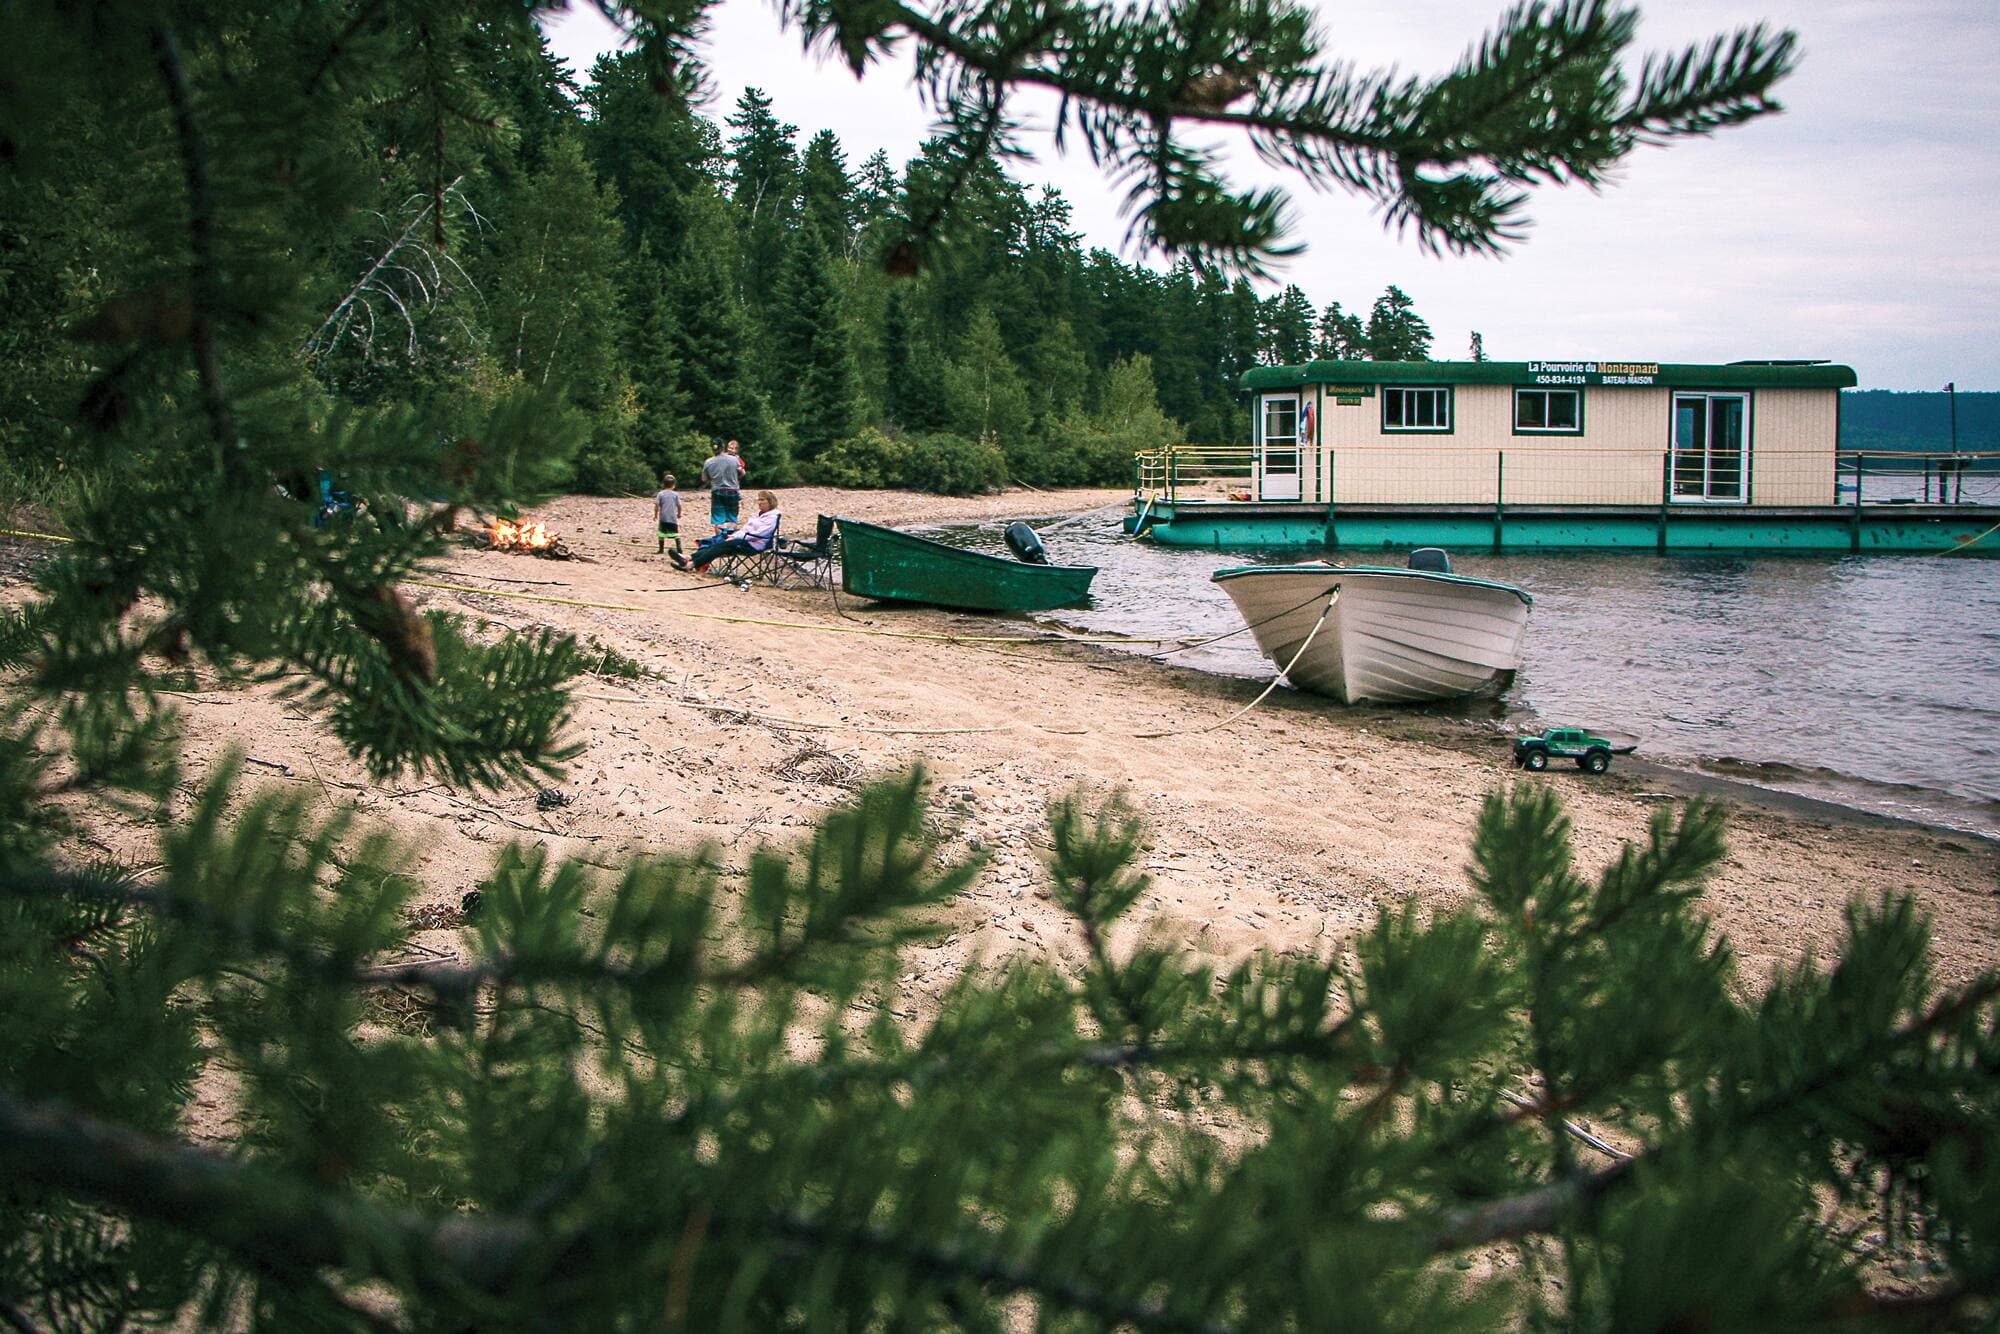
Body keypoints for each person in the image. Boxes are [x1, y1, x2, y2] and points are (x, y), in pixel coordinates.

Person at [675, 491, 780, 571]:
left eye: (762, 500)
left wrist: (737, 537)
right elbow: (745, 529)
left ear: (770, 502)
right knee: (719, 541)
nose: (759, 502)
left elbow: (760, 534)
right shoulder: (757, 514)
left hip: (755, 545)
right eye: (759, 500)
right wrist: (734, 536)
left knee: (723, 545)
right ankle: (689, 558)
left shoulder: (772, 517)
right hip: (744, 539)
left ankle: (691, 563)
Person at [700, 439, 747, 528]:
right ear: (723, 447)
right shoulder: (734, 459)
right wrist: (735, 479)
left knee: (718, 519)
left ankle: (719, 539)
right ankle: (730, 539)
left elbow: (704, 479)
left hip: (717, 490)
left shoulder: (708, 462)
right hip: (733, 490)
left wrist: (713, 480)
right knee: (732, 518)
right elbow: (742, 473)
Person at [653, 474, 682, 555]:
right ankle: (679, 548)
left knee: (661, 533)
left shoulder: (660, 494)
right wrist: (679, 514)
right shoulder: (675, 494)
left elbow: (657, 506)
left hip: (663, 517)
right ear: (673, 485)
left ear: (663, 484)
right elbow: (679, 505)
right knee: (675, 533)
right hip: (672, 518)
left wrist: (655, 515)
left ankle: (661, 549)